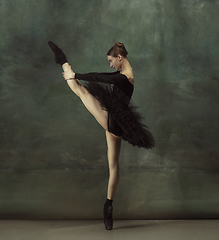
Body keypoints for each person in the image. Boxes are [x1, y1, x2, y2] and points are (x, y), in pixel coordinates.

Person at [48, 41, 155, 230]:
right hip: (116, 124)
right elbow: (107, 76)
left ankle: (62, 60)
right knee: (113, 166)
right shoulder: (124, 74)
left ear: (119, 57)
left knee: (80, 90)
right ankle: (108, 205)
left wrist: (74, 75)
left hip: (113, 120)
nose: (110, 64)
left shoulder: (125, 78)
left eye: (111, 60)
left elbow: (101, 77)